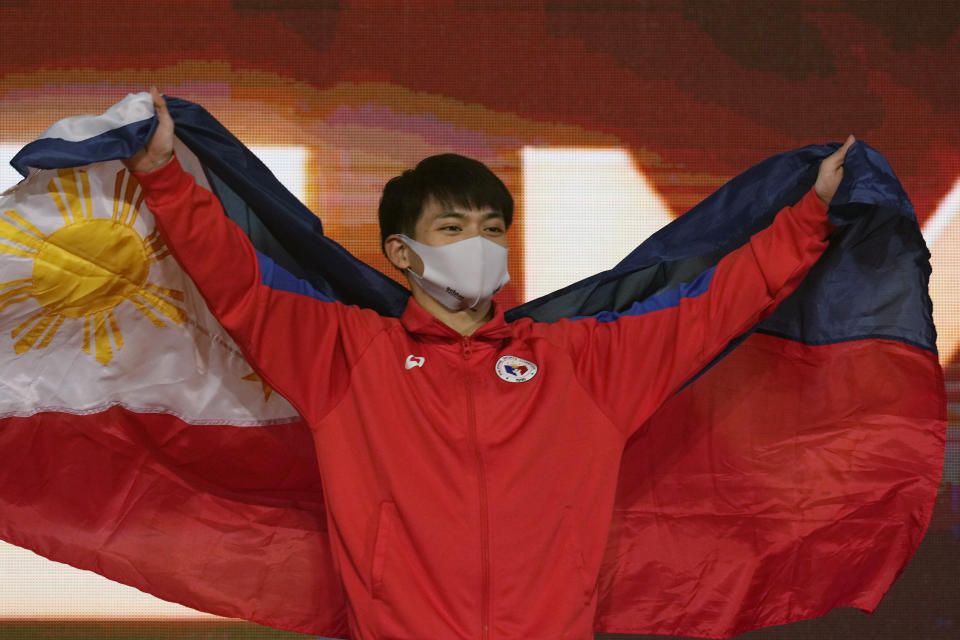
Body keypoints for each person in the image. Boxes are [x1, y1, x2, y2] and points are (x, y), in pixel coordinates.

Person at [125, 87, 853, 640]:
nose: (478, 243)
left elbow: (717, 307)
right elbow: (237, 285)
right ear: (402, 254)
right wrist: (162, 177)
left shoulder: (584, 364)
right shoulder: (346, 356)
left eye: (492, 228)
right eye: (451, 227)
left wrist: (809, 213)